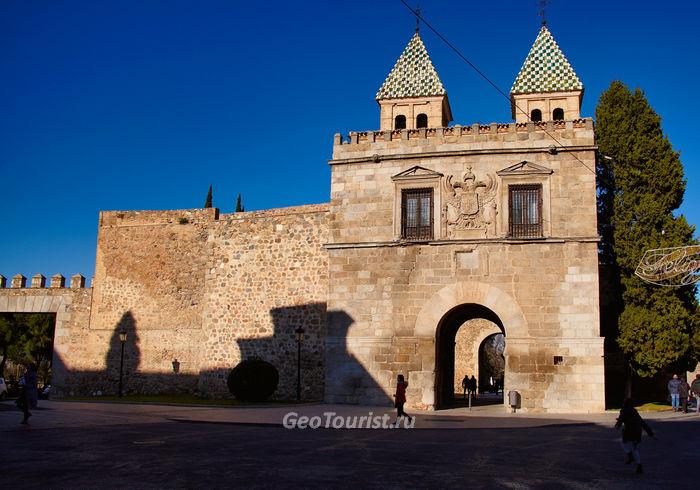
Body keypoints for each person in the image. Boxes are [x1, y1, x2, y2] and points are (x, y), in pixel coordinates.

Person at [615, 398, 655, 474]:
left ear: (625, 404)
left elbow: (621, 419)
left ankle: (630, 456)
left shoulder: (624, 410)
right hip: (637, 432)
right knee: (635, 448)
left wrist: (617, 425)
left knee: (623, 443)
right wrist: (651, 434)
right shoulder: (634, 411)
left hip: (629, 431)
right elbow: (643, 422)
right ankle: (639, 466)